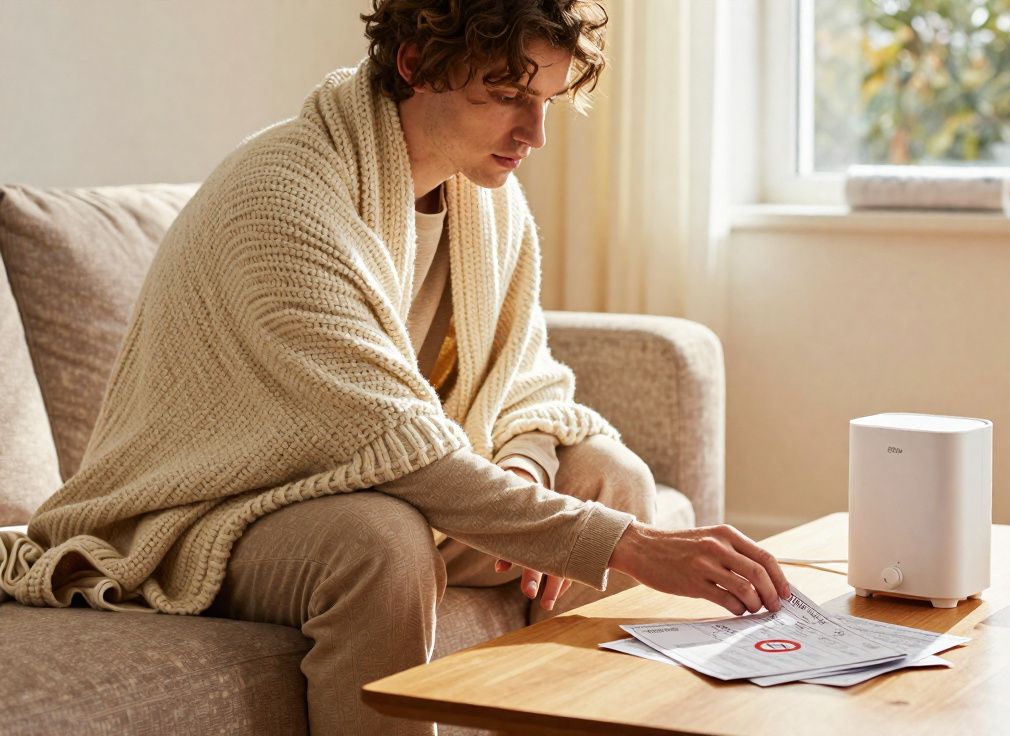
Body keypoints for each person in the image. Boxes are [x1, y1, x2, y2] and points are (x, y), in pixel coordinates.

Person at [0, 1, 789, 734]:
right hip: (214, 509)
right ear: (415, 62)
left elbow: (525, 381)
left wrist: (525, 465)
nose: (533, 134)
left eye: (545, 99)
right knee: (379, 541)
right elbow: (392, 438)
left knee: (610, 476)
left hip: (381, 477)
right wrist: (631, 547)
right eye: (507, 93)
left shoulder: (488, 200)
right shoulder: (282, 197)